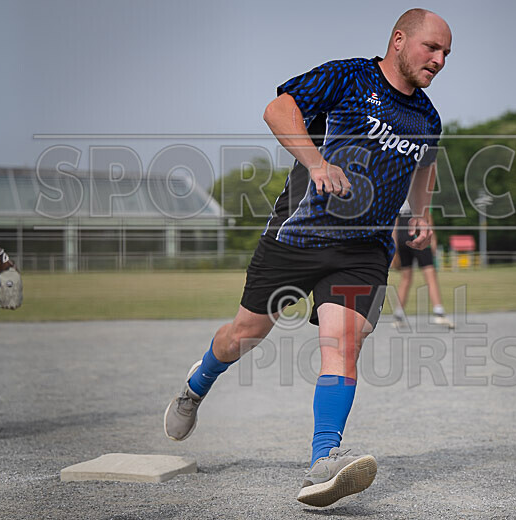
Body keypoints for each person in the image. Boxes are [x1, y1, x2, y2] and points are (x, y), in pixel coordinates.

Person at [163, 9, 452, 507]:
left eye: (447, 53)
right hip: (299, 235)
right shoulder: (347, 75)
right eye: (432, 48)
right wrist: (316, 163)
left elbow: (423, 163)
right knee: (245, 335)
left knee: (343, 342)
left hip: (365, 250)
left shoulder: (427, 116)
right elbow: (278, 110)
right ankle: (196, 385)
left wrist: (421, 213)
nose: (440, 60)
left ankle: (322, 463)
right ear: (399, 40)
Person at [391, 203, 453, 328]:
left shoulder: (401, 194)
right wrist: (433, 239)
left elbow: (395, 222)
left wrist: (394, 245)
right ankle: (439, 313)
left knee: (406, 278)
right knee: (430, 275)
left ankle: (398, 315)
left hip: (402, 235)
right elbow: (427, 216)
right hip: (418, 232)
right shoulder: (420, 192)